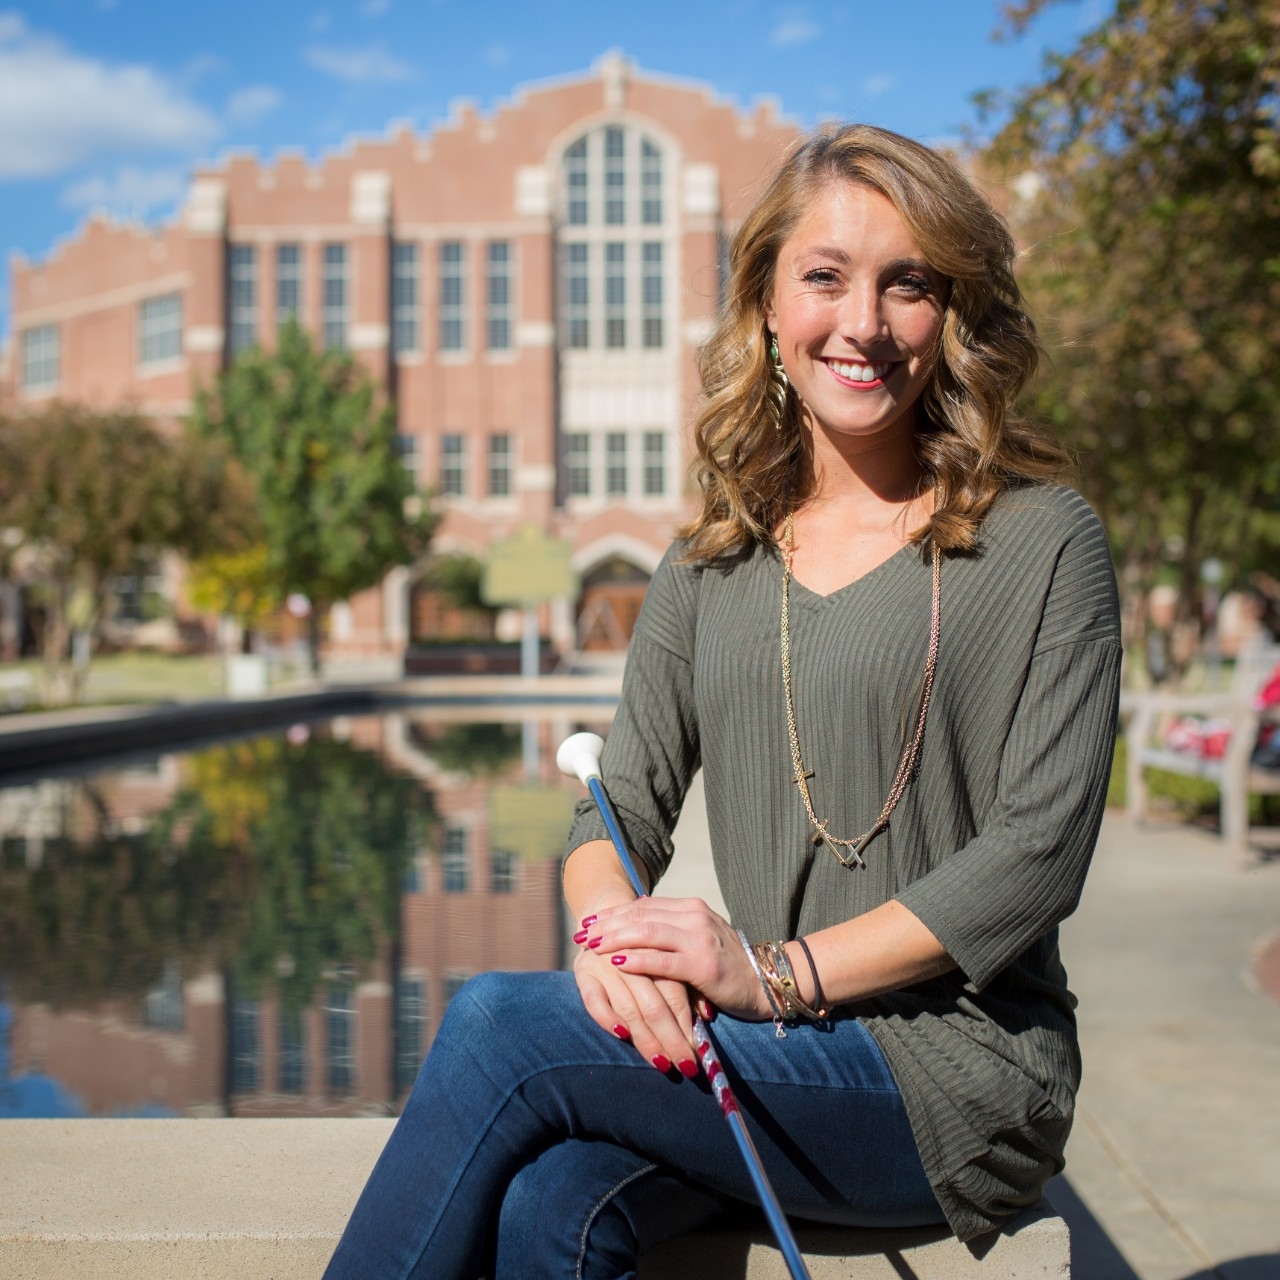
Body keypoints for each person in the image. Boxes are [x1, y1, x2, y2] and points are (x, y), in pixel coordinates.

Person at [324, 123, 1121, 1279]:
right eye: (824, 277)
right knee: (554, 1203)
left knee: (501, 1025)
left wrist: (769, 974)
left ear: (950, 314)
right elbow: (613, 806)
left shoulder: (1043, 539)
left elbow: (1034, 857)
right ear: (764, 306)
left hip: (957, 1071)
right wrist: (611, 944)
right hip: (770, 1049)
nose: (863, 321)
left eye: (908, 283)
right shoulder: (708, 564)